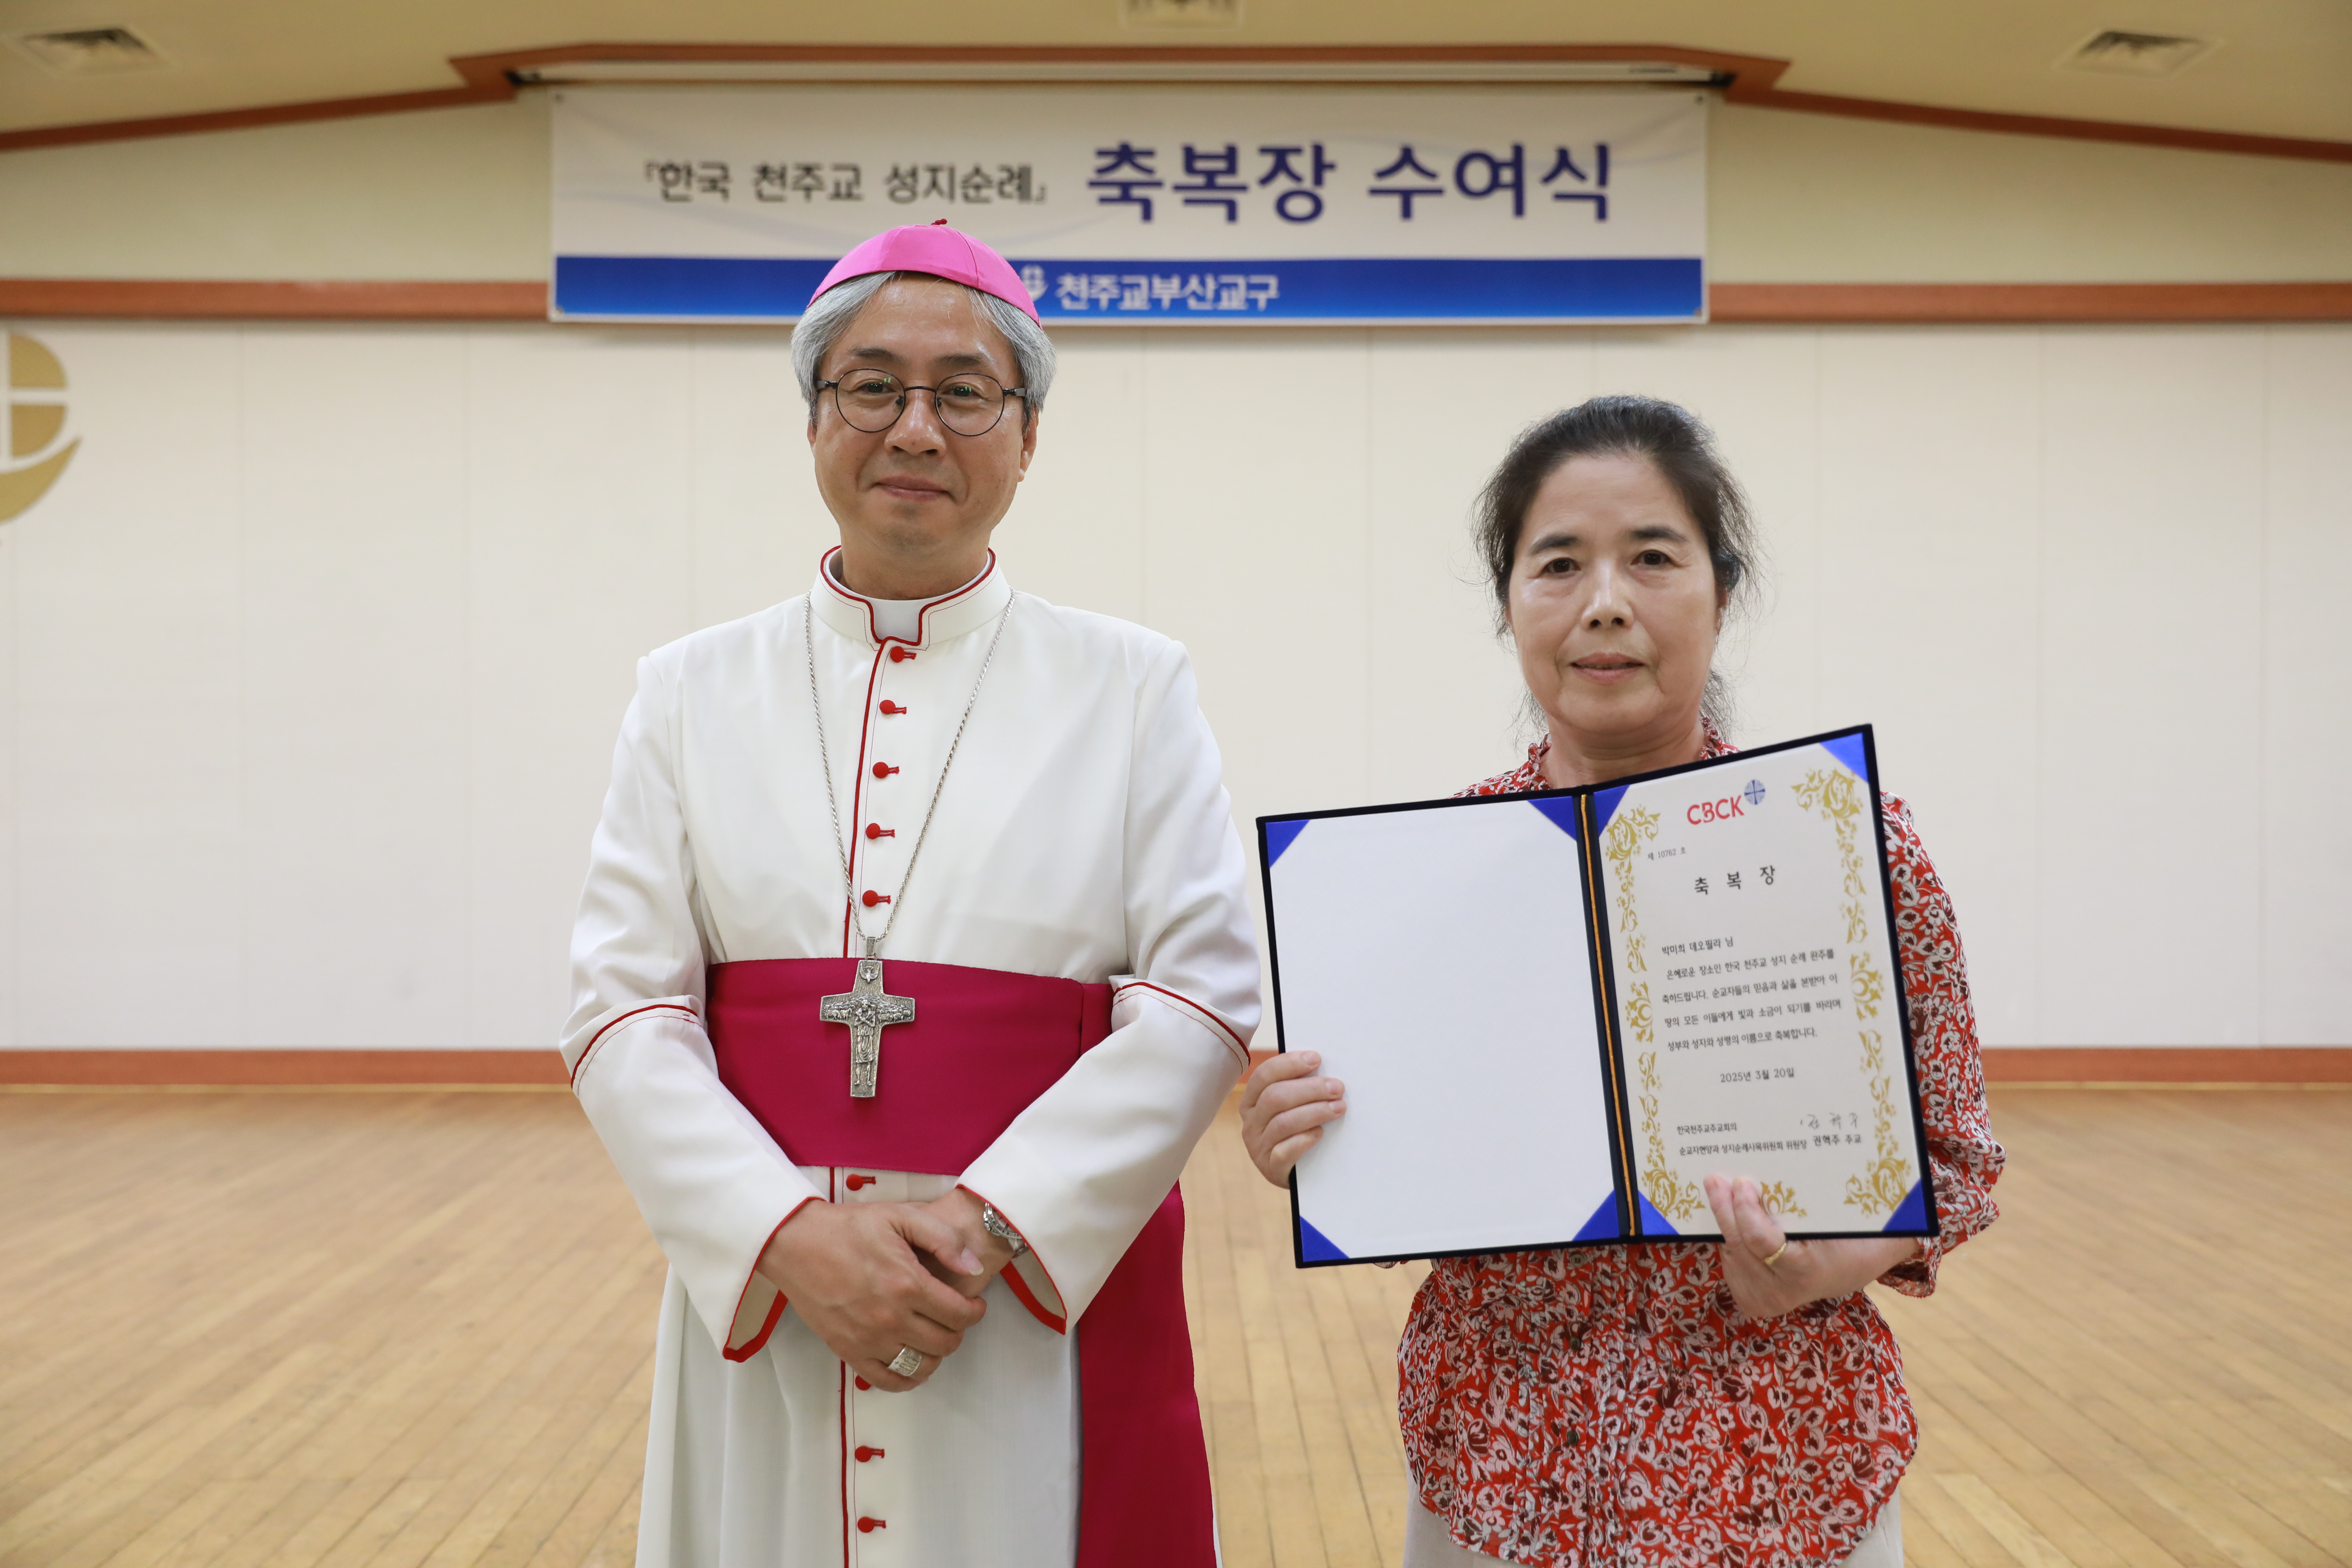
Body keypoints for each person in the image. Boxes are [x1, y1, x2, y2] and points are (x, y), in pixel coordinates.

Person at [563, 222, 1258, 1568]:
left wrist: (987, 1225)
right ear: (814, 420)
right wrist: (785, 1235)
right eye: (872, 388)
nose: (916, 429)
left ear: (1029, 435)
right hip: (775, 1299)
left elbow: (1200, 995)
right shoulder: (688, 691)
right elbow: (621, 1008)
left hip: (1023, 1300)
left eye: (966, 393)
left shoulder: (1132, 686)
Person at [1239, 396, 2004, 1567]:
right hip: (1501, 1461)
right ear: (1509, 602)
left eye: (1652, 557)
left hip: (1780, 1455)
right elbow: (1406, 1168)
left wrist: (1824, 1265)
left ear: (1722, 592)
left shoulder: (1844, 842)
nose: (1605, 602)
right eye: (1558, 564)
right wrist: (1313, 1145)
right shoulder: (1422, 881)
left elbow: (1957, 1157)